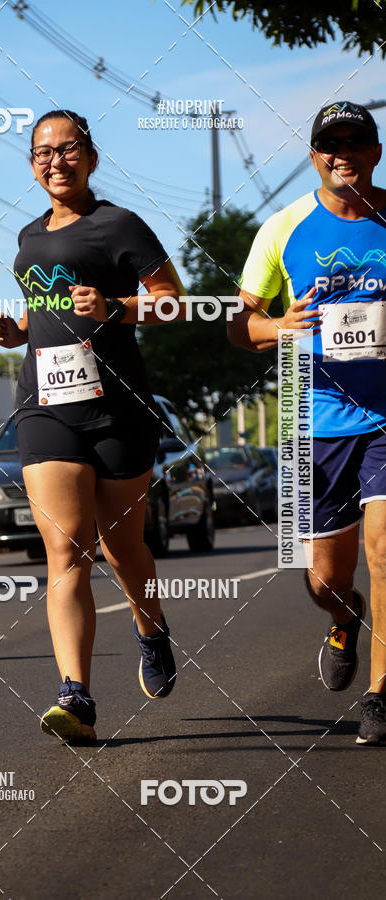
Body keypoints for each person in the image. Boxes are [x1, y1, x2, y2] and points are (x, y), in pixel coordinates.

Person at [0, 109, 185, 743]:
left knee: (123, 550)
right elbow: (41, 309)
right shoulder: (26, 236)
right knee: (66, 547)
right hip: (45, 406)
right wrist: (17, 332)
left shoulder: (117, 225)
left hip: (118, 408)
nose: (55, 161)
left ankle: (149, 625)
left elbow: (174, 301)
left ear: (91, 158)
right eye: (42, 152)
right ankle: (77, 696)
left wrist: (117, 306)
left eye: (68, 149)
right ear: (31, 165)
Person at [228, 100, 386, 745]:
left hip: (384, 416)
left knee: (385, 548)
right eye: (330, 143)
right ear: (314, 154)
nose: (342, 152)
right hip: (311, 421)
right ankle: (344, 619)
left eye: (356, 140)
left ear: (375, 151)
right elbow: (239, 327)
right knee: (325, 578)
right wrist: (278, 326)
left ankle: (380, 696)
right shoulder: (282, 228)